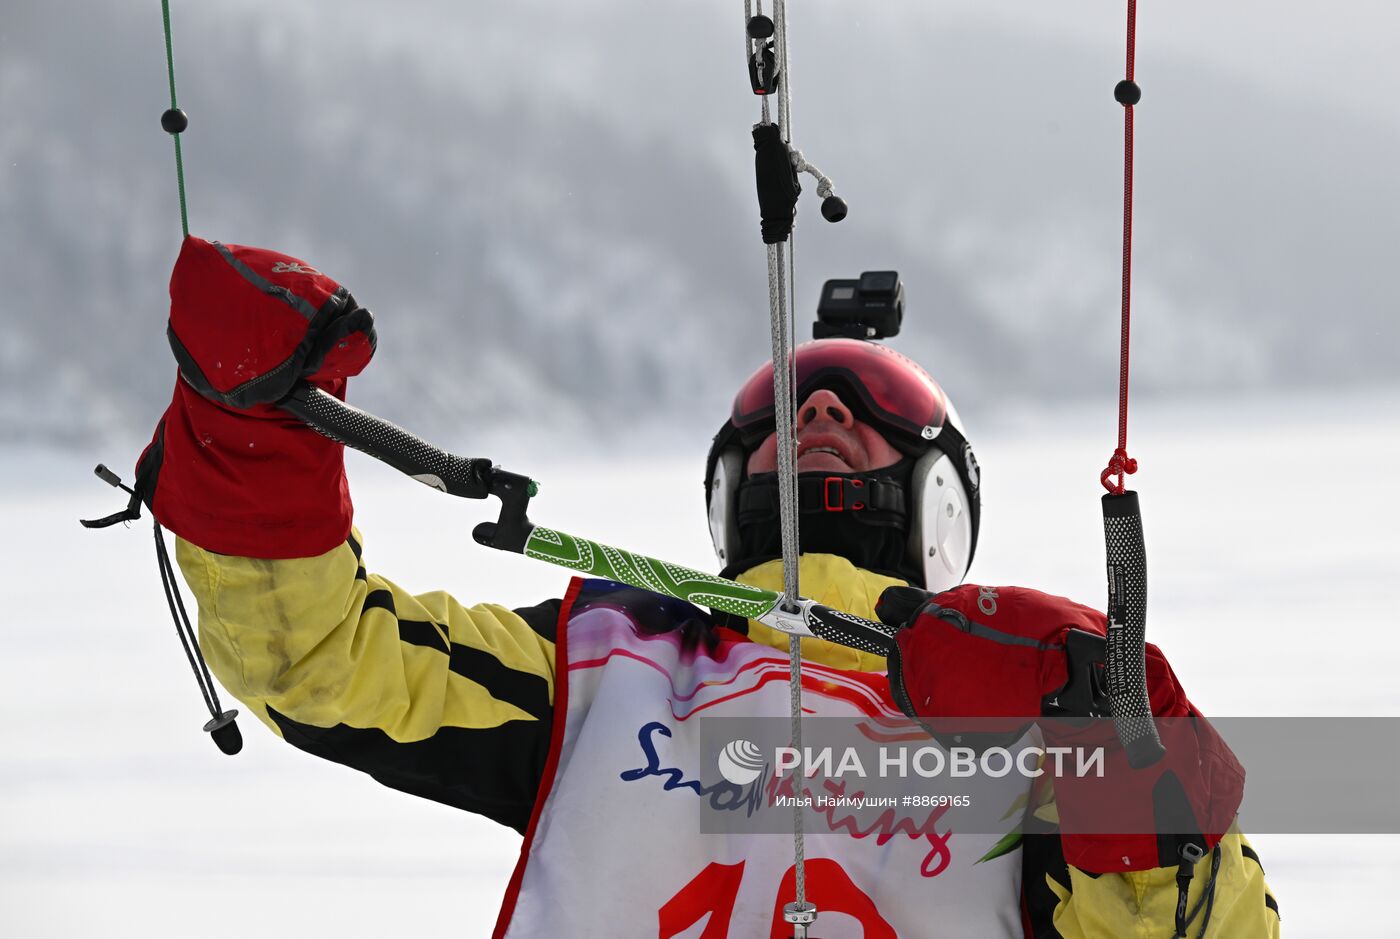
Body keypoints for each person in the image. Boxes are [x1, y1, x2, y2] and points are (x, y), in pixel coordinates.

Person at [135, 236, 1280, 937]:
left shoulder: (1028, 698)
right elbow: (321, 662)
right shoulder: (603, 663)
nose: (821, 412)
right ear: (733, 485)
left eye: (869, 405)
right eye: (784, 412)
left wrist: (1117, 739)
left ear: (942, 504)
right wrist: (251, 440)